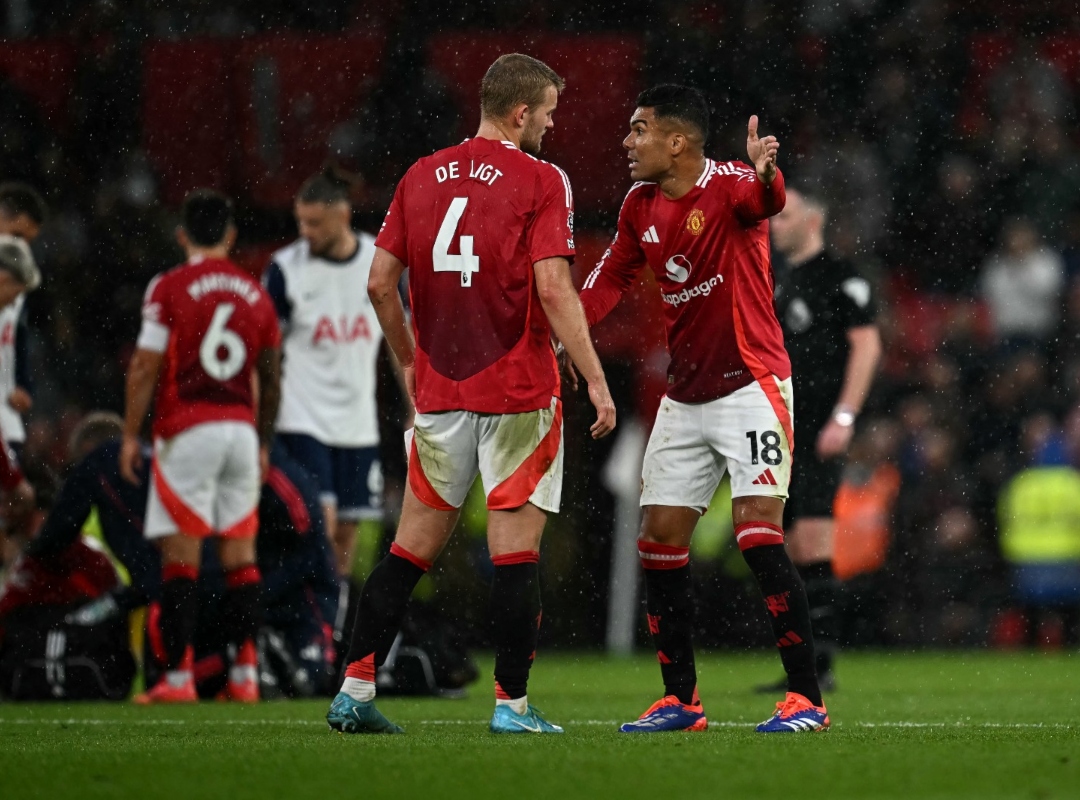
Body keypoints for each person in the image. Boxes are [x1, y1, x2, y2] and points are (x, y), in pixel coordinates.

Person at [326, 53, 616, 735]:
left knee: (406, 553)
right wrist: (595, 376)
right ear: (520, 112)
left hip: (441, 392)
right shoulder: (543, 179)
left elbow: (377, 284)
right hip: (517, 389)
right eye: (546, 112)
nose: (550, 123)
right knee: (515, 554)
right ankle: (511, 707)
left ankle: (354, 692)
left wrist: (409, 363)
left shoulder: (420, 174)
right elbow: (552, 287)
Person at [577, 84, 828, 733]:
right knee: (659, 540)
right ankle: (681, 701)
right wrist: (563, 331)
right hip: (685, 397)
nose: (628, 143)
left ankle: (806, 699)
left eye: (639, 130)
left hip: (752, 385)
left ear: (677, 140)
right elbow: (609, 280)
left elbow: (763, 198)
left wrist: (771, 174)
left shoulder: (732, 184)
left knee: (757, 533)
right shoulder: (639, 205)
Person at [120, 189, 282, 704]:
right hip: (240, 429)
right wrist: (262, 439)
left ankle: (177, 679)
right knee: (242, 558)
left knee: (180, 561)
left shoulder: (168, 287)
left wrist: (128, 433)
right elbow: (272, 375)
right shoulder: (254, 292)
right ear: (231, 235)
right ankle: (245, 677)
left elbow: (146, 364)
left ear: (182, 234)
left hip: (187, 427)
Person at [765, 187, 881, 690]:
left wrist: (845, 415)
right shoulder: (773, 277)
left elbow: (867, 346)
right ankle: (801, 665)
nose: (774, 225)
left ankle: (822, 665)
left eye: (785, 216)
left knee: (812, 538)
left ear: (814, 220)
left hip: (818, 428)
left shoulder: (843, 277)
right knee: (785, 544)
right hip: (776, 425)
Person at [264, 169, 391, 597]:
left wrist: (415, 401)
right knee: (321, 524)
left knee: (347, 536)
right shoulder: (285, 270)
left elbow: (399, 335)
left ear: (343, 215)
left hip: (357, 423)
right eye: (301, 222)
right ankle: (307, 624)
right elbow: (268, 351)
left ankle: (330, 628)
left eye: (314, 223)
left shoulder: (379, 261)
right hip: (303, 418)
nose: (305, 232)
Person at [0, 183, 46, 459]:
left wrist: (22, 385)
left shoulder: (17, 277)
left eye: (27, 241)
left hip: (6, 420)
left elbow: (17, 337)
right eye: (15, 234)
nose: (20, 247)